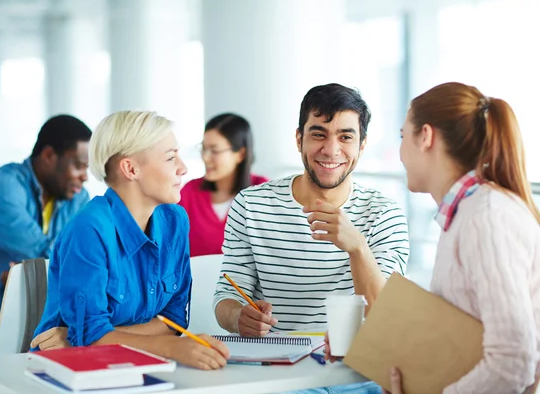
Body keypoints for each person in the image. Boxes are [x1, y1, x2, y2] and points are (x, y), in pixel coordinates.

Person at [344, 82, 539, 394]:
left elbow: (513, 360)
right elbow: (464, 336)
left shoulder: (486, 218)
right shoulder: (466, 213)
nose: (400, 154)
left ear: (426, 136)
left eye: (402, 136)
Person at [214, 83, 410, 394]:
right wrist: (238, 316)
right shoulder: (251, 205)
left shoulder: (384, 213)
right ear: (299, 139)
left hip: (360, 377)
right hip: (282, 377)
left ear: (362, 145)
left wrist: (357, 247)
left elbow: (384, 318)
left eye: (345, 136)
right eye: (319, 134)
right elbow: (226, 296)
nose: (331, 150)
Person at [31, 111, 229, 370]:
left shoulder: (175, 220)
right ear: (130, 168)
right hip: (65, 372)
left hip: (137, 367)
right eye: (171, 157)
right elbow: (91, 336)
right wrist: (170, 347)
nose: (184, 168)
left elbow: (173, 320)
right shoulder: (89, 229)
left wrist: (103, 338)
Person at [0, 115, 92, 394]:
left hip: (33, 317)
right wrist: (43, 267)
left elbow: (82, 256)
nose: (84, 176)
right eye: (78, 166)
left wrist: (31, 271)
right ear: (48, 155)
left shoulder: (76, 196)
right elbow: (46, 256)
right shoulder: (1, 188)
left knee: (71, 374)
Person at [179, 113, 267, 257]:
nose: (206, 157)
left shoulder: (261, 190)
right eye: (203, 148)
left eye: (214, 150)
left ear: (240, 154)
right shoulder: (189, 192)